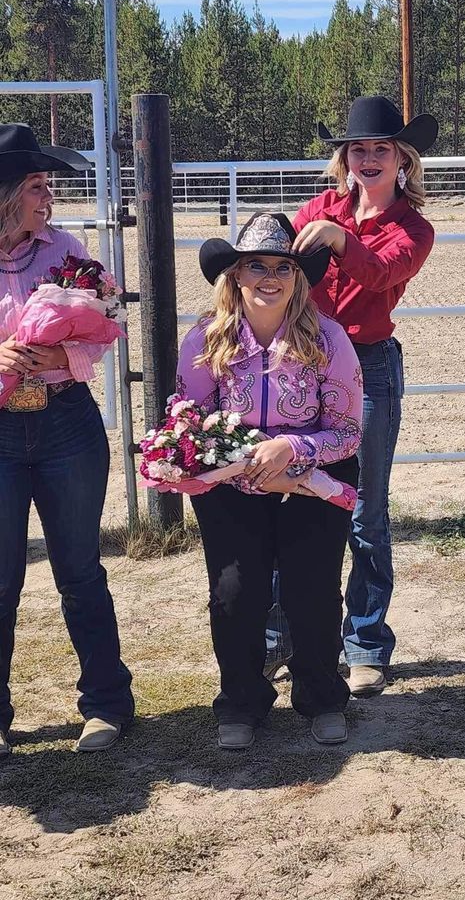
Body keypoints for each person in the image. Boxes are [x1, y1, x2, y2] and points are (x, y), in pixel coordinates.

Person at [266, 95, 439, 697]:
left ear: (401, 160)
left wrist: (338, 239)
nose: (367, 158)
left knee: (365, 511)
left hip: (368, 366)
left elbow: (380, 275)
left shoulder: (413, 227)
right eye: (358, 149)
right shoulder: (320, 208)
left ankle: (365, 641)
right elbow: (278, 266)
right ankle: (283, 638)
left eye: (380, 150)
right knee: (295, 500)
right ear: (344, 157)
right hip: (307, 365)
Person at [176, 212, 363, 749]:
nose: (269, 276)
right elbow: (190, 423)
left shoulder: (329, 340)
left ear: (298, 276)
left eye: (282, 266)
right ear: (233, 274)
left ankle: (322, 696)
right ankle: (240, 699)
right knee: (235, 590)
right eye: (254, 264)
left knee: (312, 588)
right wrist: (244, 459)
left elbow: (348, 432)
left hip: (316, 478)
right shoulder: (205, 342)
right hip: (234, 482)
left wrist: (292, 449)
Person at [0, 123, 134, 756]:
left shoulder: (66, 250)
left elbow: (108, 322)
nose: (47, 193)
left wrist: (60, 351)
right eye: (35, 183)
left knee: (79, 571)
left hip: (64, 422)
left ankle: (106, 704)